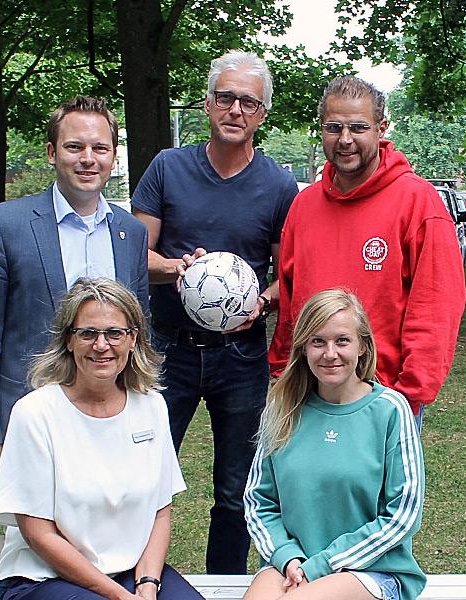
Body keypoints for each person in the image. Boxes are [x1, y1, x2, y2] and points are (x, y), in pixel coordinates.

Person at [130, 50, 299, 574]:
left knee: (235, 491)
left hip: (240, 358)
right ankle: (127, 579)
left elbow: (286, 272)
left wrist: (260, 303)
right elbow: (136, 254)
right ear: (207, 104)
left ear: (262, 114)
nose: (235, 109)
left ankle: (225, 583)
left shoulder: (278, 185)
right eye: (225, 97)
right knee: (142, 479)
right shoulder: (168, 167)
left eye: (248, 101)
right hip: (166, 353)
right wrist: (178, 269)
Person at [0, 96, 149, 481]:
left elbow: (141, 333)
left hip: (112, 411)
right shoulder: (3, 226)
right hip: (31, 409)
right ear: (52, 152)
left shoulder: (131, 233)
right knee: (33, 532)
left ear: (113, 158)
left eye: (100, 148)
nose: (88, 158)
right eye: (74, 146)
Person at [269, 76, 466, 428]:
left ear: (381, 128)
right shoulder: (304, 206)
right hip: (307, 395)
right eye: (334, 127)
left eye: (358, 127)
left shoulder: (418, 203)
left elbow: (436, 307)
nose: (345, 140)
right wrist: (283, 370)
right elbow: (291, 300)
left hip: (383, 398)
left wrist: (409, 396)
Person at [0, 278, 202, 600]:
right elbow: (39, 534)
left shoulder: (152, 406)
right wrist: (118, 597)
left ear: (133, 340)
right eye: (87, 333)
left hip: (131, 572)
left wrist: (147, 585)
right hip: (44, 576)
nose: (101, 345)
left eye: (115, 333)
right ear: (68, 341)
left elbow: (161, 509)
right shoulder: (34, 413)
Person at [244, 289, 426, 600]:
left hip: (370, 568)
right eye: (318, 341)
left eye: (342, 341)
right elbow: (258, 502)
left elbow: (403, 514)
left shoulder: (390, 410)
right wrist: (288, 557)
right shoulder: (283, 408)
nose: (330, 353)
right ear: (303, 348)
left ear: (362, 347)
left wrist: (323, 565)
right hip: (291, 564)